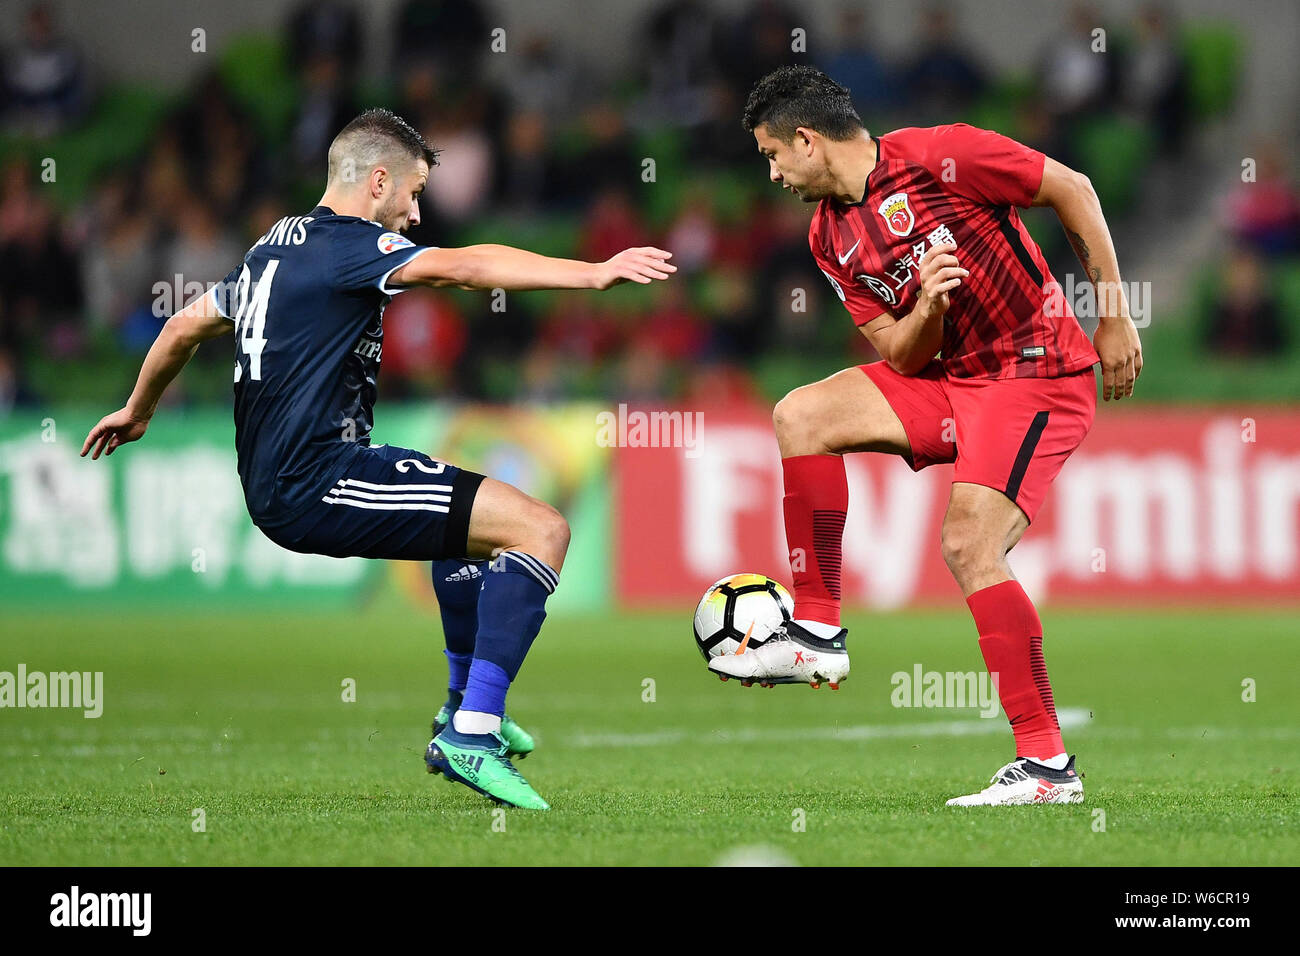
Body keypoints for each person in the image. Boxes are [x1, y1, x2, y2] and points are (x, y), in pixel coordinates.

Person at [81, 108, 675, 810]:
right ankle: (472, 733)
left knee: (474, 533)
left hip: (296, 477)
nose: (416, 213)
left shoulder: (272, 249)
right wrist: (593, 275)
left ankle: (460, 708)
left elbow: (183, 324)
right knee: (542, 530)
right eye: (414, 193)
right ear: (379, 180)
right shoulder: (350, 244)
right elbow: (465, 269)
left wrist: (140, 407)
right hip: (317, 481)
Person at [712, 66, 1142, 807]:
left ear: (807, 141)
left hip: (1034, 369)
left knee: (969, 543)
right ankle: (816, 632)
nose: (774, 174)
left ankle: (1045, 767)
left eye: (773, 155)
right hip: (948, 377)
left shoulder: (941, 155)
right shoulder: (828, 237)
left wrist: (1113, 314)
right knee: (801, 415)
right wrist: (932, 308)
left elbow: (1072, 188)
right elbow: (900, 354)